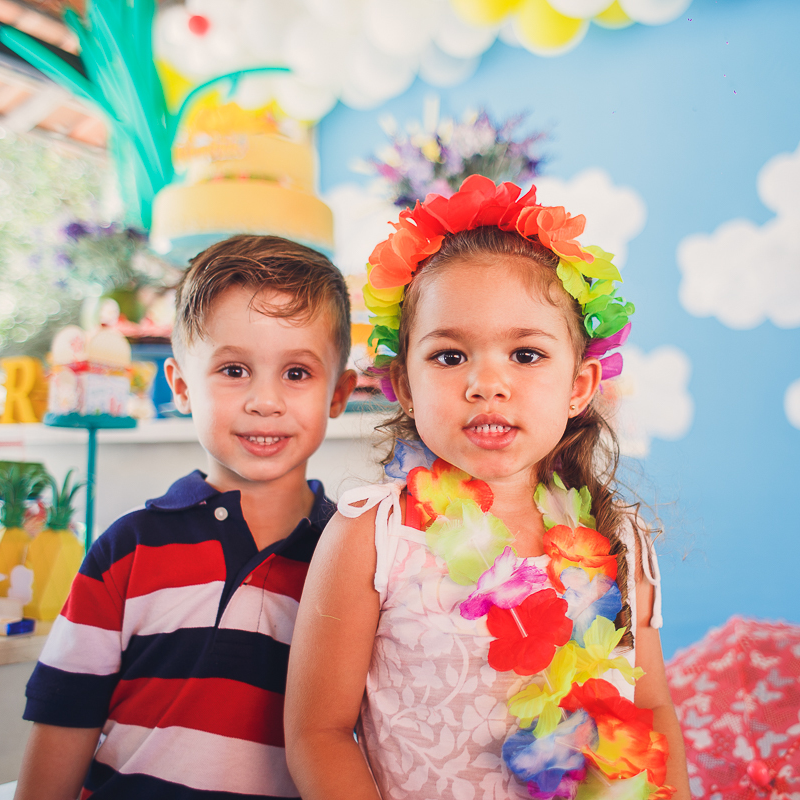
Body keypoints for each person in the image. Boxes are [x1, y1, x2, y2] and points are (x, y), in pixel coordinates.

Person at [285, 176, 690, 800]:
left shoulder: (617, 537)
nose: (487, 383)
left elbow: (652, 710)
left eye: (526, 355)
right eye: (450, 356)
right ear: (406, 384)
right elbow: (318, 732)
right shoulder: (372, 536)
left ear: (580, 386)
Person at [15, 234, 357, 800]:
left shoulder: (354, 557)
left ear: (338, 394)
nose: (265, 400)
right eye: (233, 370)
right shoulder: (127, 549)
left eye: (297, 373)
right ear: (180, 387)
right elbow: (63, 719)